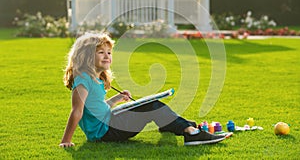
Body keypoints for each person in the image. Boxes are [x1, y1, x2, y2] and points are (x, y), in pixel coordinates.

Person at [59, 32, 227, 147]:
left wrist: (116, 100)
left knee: (149, 105)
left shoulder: (95, 78)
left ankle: (183, 127)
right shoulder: (82, 79)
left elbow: (97, 108)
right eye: (101, 52)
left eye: (109, 52)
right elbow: (77, 111)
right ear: (87, 56)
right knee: (151, 106)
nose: (107, 56)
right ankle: (191, 132)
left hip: (108, 124)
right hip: (105, 132)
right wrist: (66, 140)